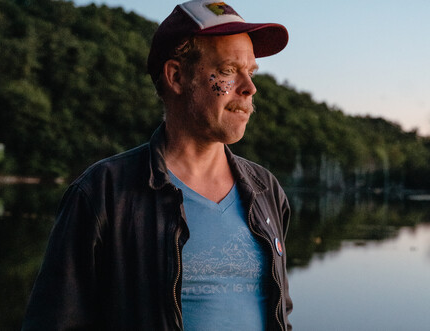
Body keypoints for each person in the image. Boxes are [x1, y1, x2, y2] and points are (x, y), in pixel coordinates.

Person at [22, 0, 292, 330]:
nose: (250, 88)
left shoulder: (266, 190)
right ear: (176, 76)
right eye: (227, 71)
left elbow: (280, 313)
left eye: (249, 72)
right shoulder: (103, 192)